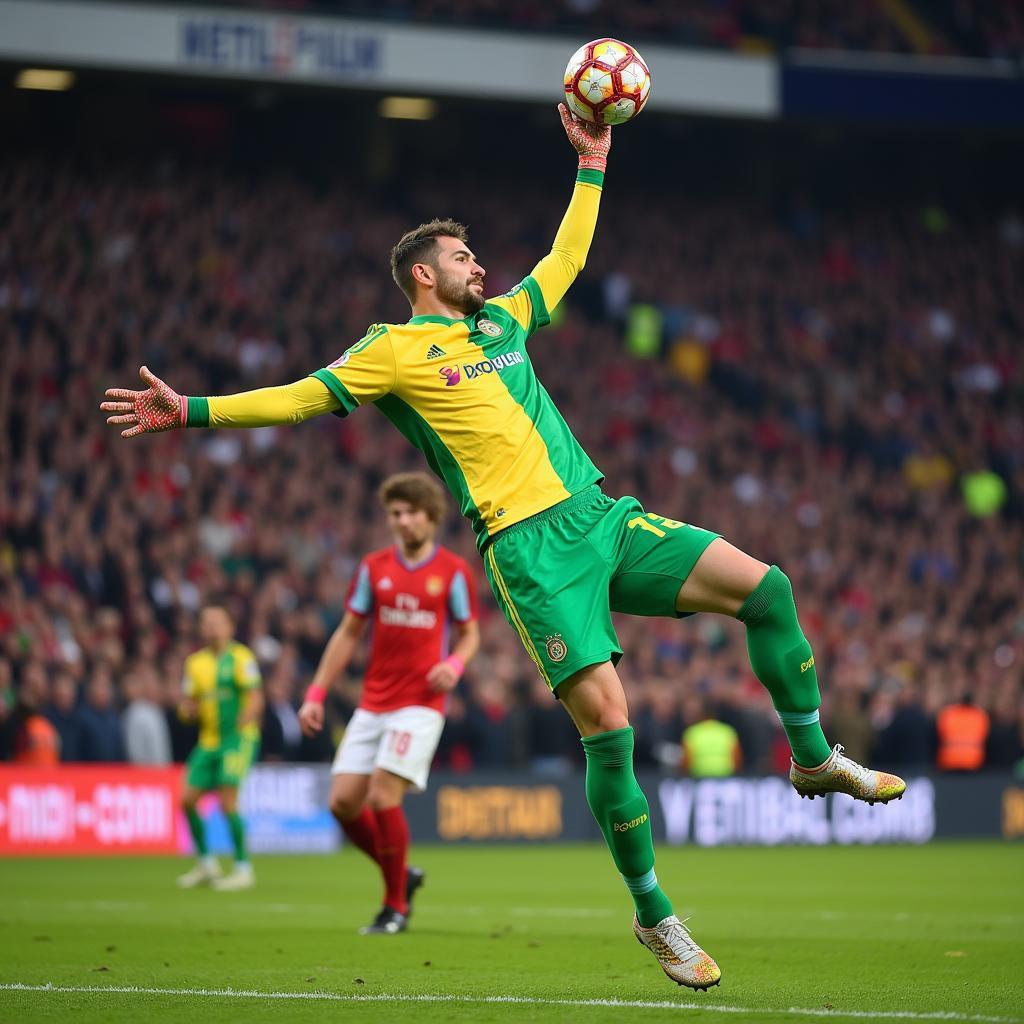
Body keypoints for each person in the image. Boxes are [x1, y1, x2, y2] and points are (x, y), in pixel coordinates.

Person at [101, 104, 907, 988]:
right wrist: (194, 411)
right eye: (461, 256)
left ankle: (812, 756)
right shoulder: (394, 351)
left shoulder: (503, 322)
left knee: (768, 588)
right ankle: (655, 916)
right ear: (422, 274)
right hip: (528, 552)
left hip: (602, 517)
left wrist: (592, 162)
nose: (479, 264)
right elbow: (298, 397)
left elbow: (565, 259)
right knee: (612, 725)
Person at [296, 472, 480, 935]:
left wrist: (455, 665)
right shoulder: (373, 568)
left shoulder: (453, 572)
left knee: (382, 794)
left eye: (411, 512)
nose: (403, 521)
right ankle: (402, 875)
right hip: (373, 701)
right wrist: (316, 693)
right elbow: (348, 632)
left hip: (420, 703)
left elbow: (470, 633)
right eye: (395, 514)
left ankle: (394, 905)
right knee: (342, 803)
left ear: (431, 517)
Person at [176, 603, 264, 891]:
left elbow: (255, 696)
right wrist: (187, 710)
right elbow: (190, 702)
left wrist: (248, 713)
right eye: (206, 622)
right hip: (209, 741)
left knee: (228, 801)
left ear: (230, 627)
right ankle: (206, 863)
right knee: (187, 800)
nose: (211, 627)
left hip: (238, 738)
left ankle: (242, 867)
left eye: (217, 622)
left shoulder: (241, 657)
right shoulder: (195, 663)